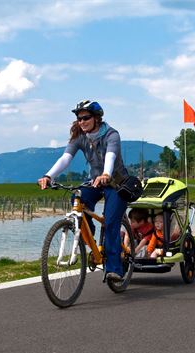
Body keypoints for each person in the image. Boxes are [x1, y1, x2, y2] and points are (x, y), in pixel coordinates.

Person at [38, 100, 130, 282]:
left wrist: (105, 173)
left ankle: (114, 269)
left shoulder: (112, 134)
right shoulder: (80, 136)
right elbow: (65, 158)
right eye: (79, 118)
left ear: (97, 118)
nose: (82, 122)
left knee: (111, 222)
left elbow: (111, 156)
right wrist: (48, 176)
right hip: (95, 181)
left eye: (86, 118)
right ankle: (90, 236)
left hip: (116, 182)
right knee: (77, 198)